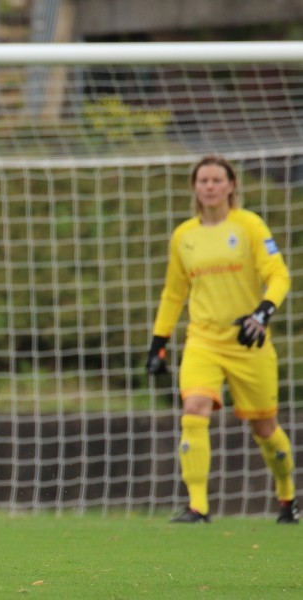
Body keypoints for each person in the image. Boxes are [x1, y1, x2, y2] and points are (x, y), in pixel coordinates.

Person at [146, 154, 297, 524]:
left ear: (231, 185)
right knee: (194, 409)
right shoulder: (184, 236)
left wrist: (262, 313)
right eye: (203, 180)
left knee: (265, 428)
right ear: (194, 188)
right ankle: (198, 506)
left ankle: (287, 496)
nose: (210, 186)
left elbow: (279, 275)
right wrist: (158, 340)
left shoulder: (249, 226)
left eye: (217, 180)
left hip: (249, 343)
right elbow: (173, 292)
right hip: (203, 340)